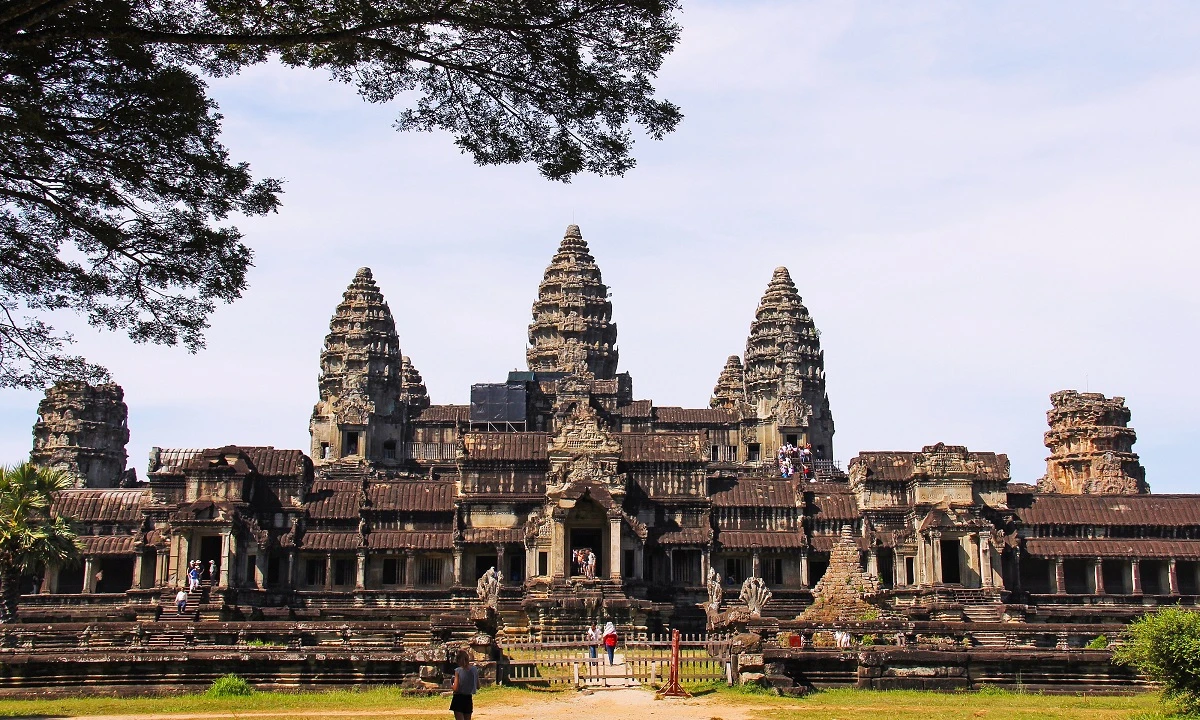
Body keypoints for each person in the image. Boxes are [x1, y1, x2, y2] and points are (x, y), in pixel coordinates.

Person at [449, 648, 479, 720]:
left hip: (458, 698)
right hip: (468, 698)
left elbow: (456, 688)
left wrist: (452, 685)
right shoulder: (474, 669)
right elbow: (478, 686)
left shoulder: (458, 670)